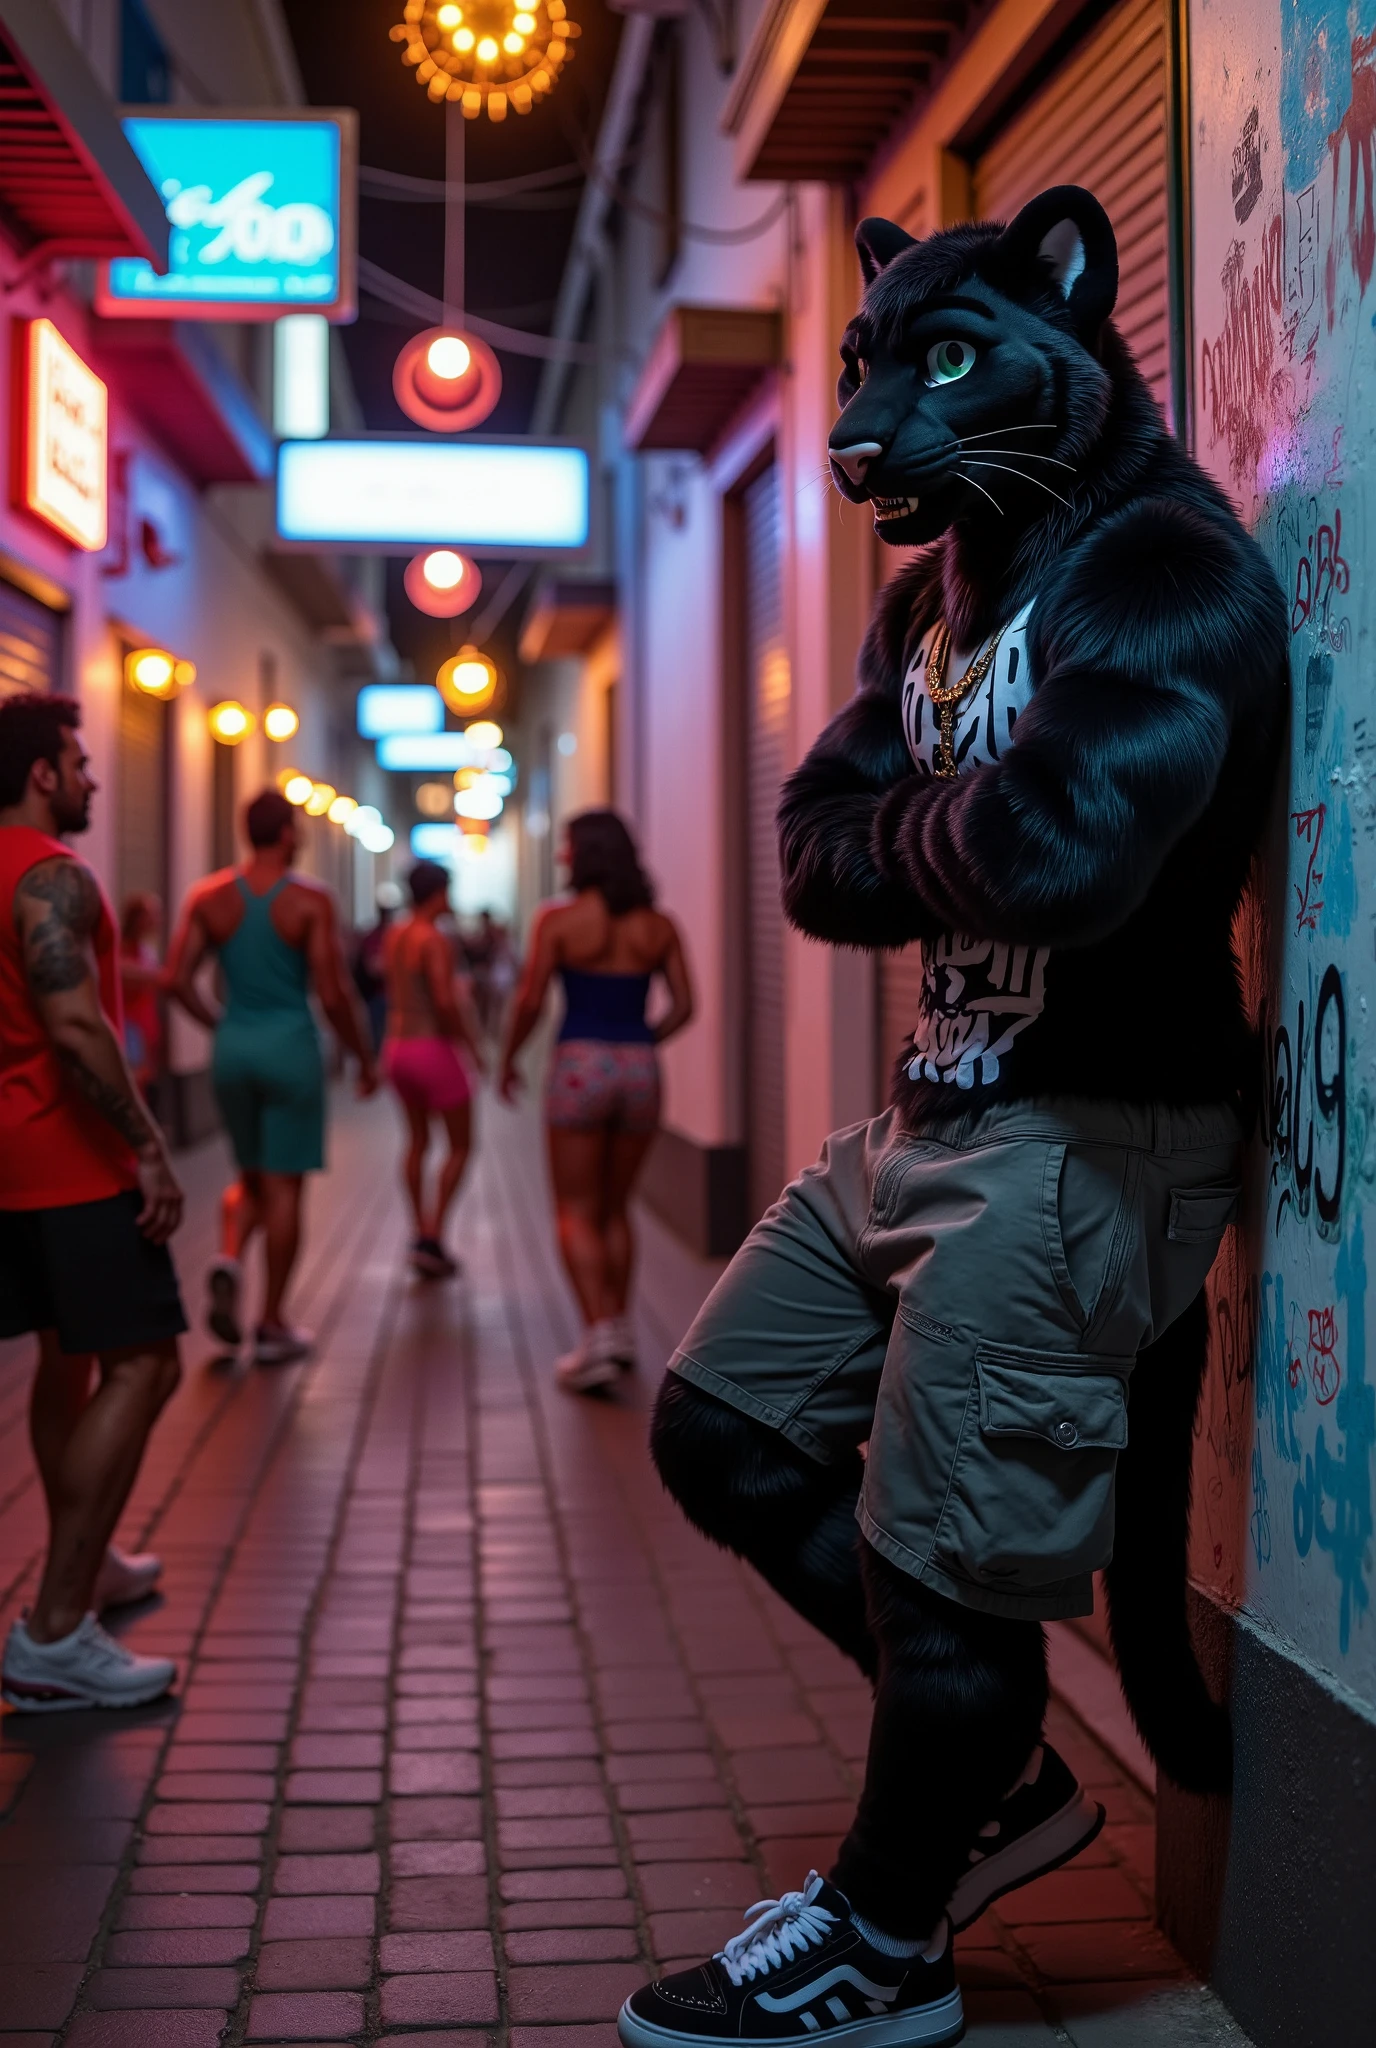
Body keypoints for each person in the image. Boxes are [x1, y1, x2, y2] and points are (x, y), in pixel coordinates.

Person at [0, 694, 184, 1713]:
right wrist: (148, 1148)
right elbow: (75, 1026)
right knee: (148, 1361)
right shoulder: (49, 874)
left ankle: (91, 1557)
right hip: (70, 1160)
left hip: (8, 1164)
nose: (92, 779)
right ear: (40, 774)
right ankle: (54, 1628)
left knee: (66, 1358)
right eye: (78, 760)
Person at [167, 789, 377, 1366]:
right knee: (285, 1187)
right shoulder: (310, 901)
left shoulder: (208, 897)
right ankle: (273, 1320)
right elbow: (333, 991)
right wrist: (363, 1055)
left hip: (233, 1048)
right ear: (286, 834)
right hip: (290, 1048)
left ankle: (231, 1258)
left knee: (250, 1175)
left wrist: (223, 1025)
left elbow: (176, 979)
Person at [499, 810, 693, 1393]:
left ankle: (595, 1336)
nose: (561, 855)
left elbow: (531, 1001)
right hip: (639, 1070)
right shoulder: (658, 926)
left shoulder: (556, 921)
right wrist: (639, 1043)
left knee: (575, 1209)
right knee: (616, 1208)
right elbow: (685, 1005)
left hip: (580, 1065)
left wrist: (507, 1058)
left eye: (566, 846)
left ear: (582, 855)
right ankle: (622, 1331)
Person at [381, 860, 486, 1279]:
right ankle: (433, 1233)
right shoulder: (435, 940)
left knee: (417, 1141)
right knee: (461, 1145)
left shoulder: (395, 936)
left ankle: (417, 1228)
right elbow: (444, 1001)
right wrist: (471, 1046)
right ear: (437, 893)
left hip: (397, 1047)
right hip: (431, 1049)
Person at [119, 892, 165, 1092]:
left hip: (146, 1027)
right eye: (152, 915)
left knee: (145, 1080)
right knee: (133, 1082)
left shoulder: (146, 951)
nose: (157, 921)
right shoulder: (120, 950)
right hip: (130, 1028)